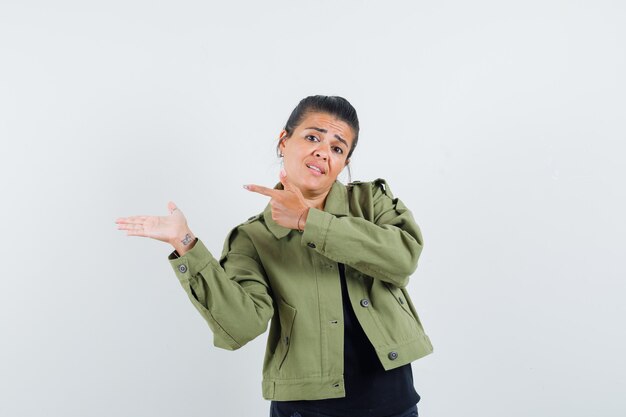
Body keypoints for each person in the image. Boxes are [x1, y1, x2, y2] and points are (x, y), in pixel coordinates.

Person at [115, 95, 433, 417]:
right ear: (284, 141)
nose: (323, 152)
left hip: (395, 404)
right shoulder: (253, 238)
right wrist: (186, 244)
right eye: (312, 137)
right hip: (305, 410)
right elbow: (240, 326)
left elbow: (403, 259)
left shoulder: (371, 201)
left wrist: (308, 221)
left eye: (338, 148)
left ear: (344, 163)